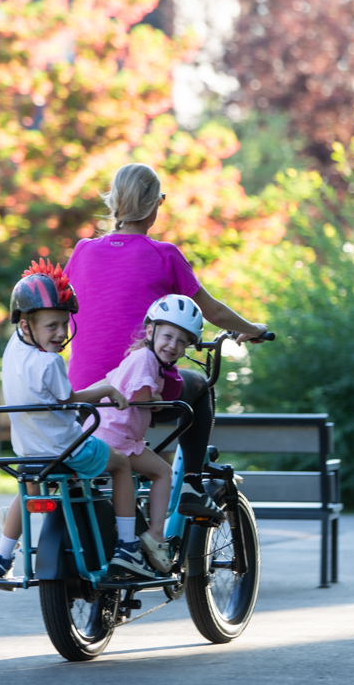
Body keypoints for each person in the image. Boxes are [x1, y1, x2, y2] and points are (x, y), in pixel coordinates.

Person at [64, 163, 269, 521]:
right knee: (201, 387)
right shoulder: (164, 254)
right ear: (156, 205)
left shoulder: (81, 251)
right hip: (138, 390)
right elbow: (214, 313)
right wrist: (250, 327)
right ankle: (192, 483)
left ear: (114, 202)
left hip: (84, 392)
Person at [0, 259, 157, 582]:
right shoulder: (49, 362)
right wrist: (107, 388)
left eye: (64, 324)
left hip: (31, 452)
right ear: (27, 326)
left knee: (28, 488)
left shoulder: (12, 350)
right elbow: (69, 399)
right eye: (51, 326)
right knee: (120, 464)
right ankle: (128, 545)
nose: (61, 333)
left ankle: (0, 557)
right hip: (67, 449)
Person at [94, 295, 204, 573]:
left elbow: (109, 382)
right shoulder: (145, 359)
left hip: (104, 434)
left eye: (182, 341)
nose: (173, 345)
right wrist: (157, 398)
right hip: (119, 439)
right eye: (168, 336)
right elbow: (141, 398)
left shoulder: (138, 357)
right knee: (163, 473)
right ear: (151, 331)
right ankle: (155, 535)